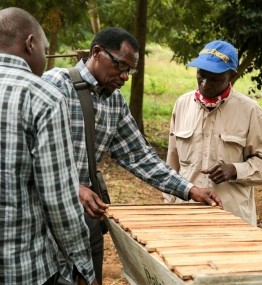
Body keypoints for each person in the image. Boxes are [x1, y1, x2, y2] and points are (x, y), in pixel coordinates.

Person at [42, 27, 222, 285]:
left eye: (131, 70)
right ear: (96, 53)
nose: (125, 76)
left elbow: (139, 156)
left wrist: (190, 190)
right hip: (47, 220)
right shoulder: (55, 85)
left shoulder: (114, 101)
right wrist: (74, 187)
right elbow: (24, 156)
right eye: (121, 66)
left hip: (87, 218)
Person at [0, 7, 98, 285]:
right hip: (23, 269)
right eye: (45, 49)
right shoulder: (42, 96)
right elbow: (60, 200)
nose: (45, 57)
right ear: (30, 44)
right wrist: (82, 265)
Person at [162, 40, 262, 226]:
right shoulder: (182, 105)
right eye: (201, 74)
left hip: (233, 221)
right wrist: (170, 205)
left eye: (214, 78)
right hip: (186, 217)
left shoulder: (249, 111)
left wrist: (235, 170)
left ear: (232, 76)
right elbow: (172, 163)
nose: (205, 83)